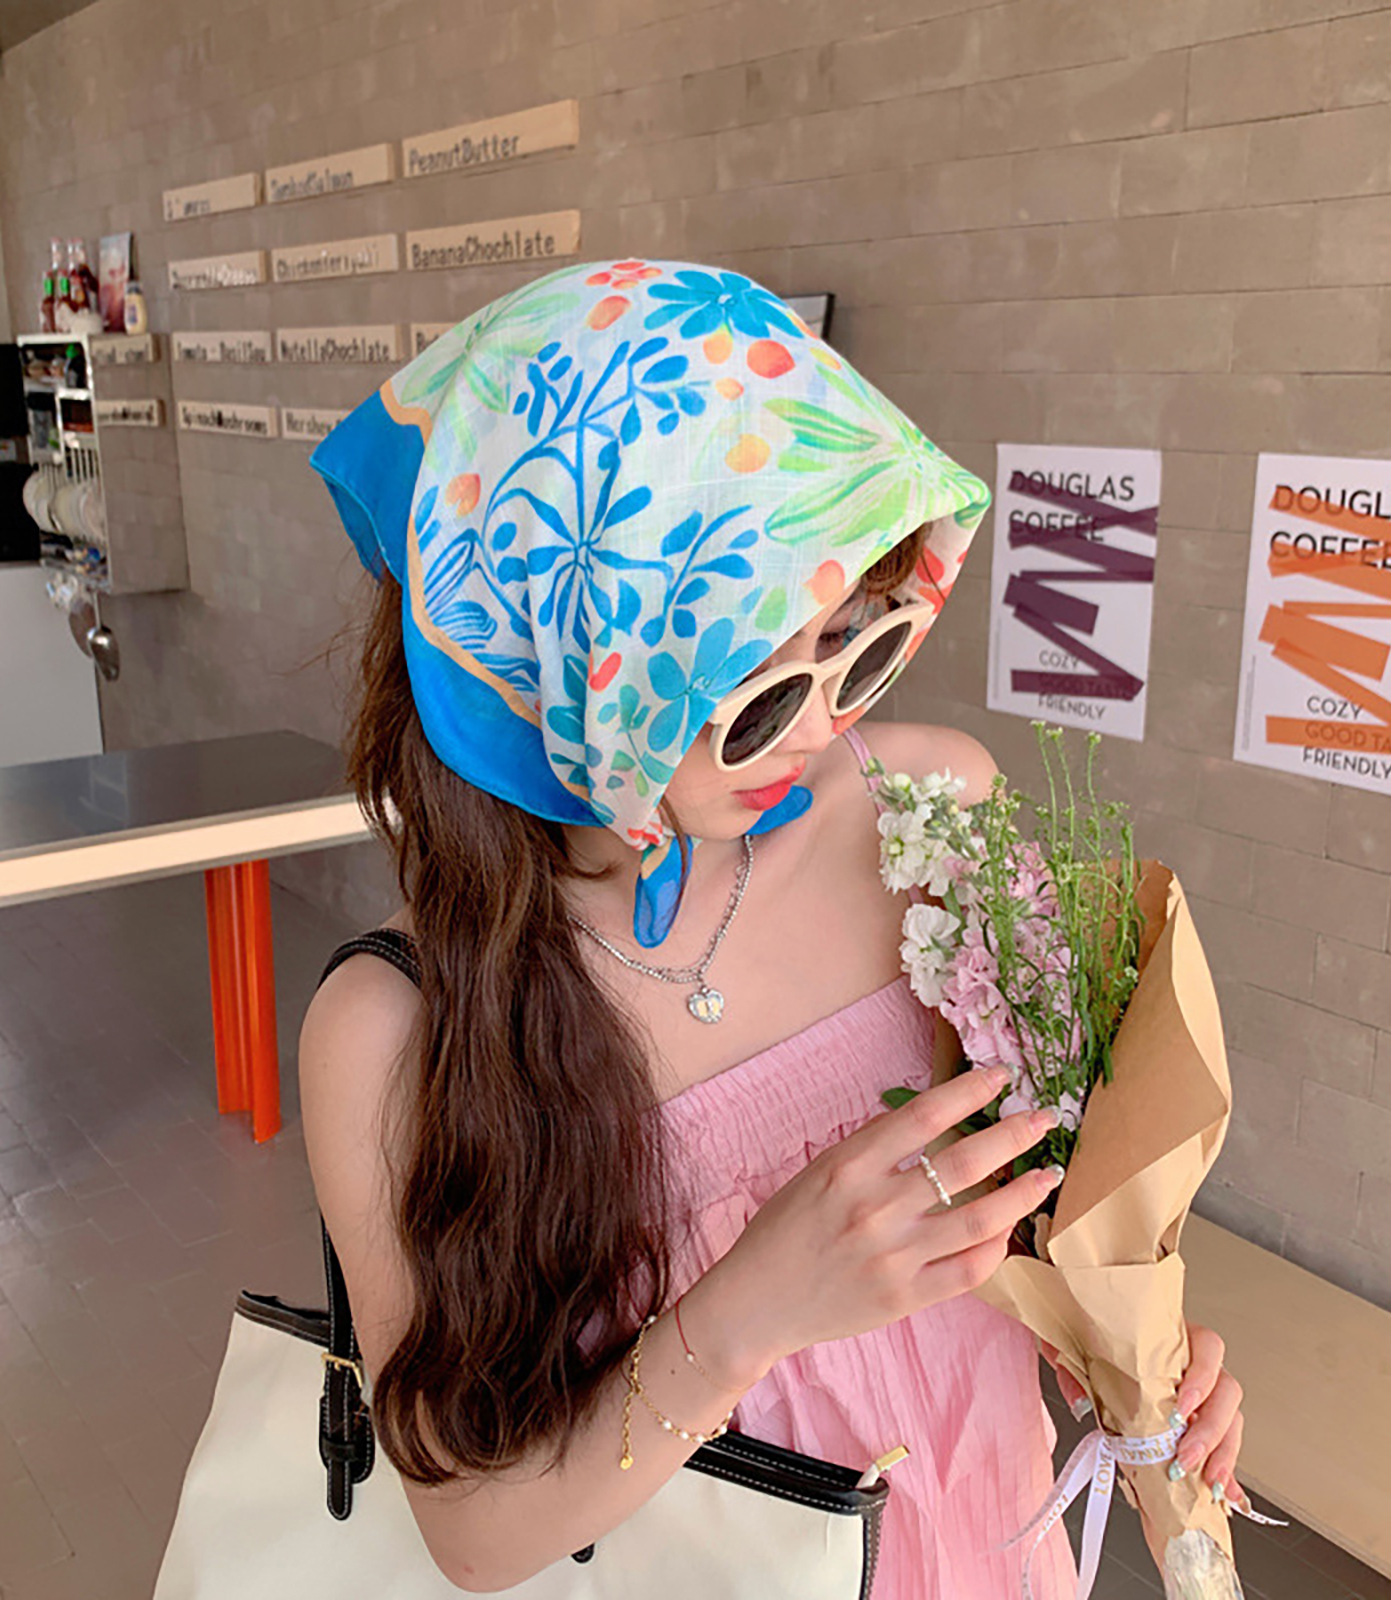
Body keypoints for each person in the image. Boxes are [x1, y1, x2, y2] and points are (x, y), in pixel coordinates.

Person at [298, 260, 1246, 1597]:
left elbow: (1046, 1218)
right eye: (750, 698)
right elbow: (474, 1532)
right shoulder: (399, 1027)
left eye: (859, 647)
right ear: (569, 669)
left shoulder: (930, 809)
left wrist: (1136, 1353)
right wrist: (744, 1313)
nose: (819, 731)